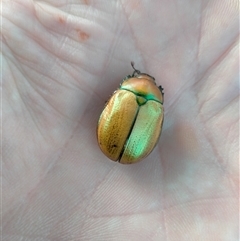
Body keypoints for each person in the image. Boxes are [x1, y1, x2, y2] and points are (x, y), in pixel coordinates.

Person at [2, 0, 239, 240]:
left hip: (115, 142)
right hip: (132, 150)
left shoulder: (129, 97)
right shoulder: (155, 109)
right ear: (159, 97)